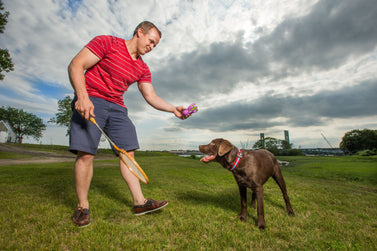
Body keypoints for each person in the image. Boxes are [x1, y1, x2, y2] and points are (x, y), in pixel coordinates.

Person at [68, 21, 189, 227]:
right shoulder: (107, 43)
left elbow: (150, 95)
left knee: (128, 154)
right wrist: (82, 96)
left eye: (155, 46)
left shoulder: (142, 67)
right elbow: (76, 65)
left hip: (117, 108)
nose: (151, 47)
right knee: (86, 154)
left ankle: (140, 203)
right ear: (139, 32)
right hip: (92, 99)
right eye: (151, 41)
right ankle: (82, 207)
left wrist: (173, 109)